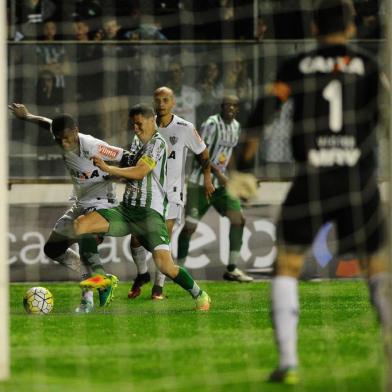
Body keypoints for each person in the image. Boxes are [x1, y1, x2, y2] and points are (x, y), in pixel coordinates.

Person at [247, 0, 390, 384]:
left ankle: (288, 362)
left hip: (311, 180)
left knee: (287, 267)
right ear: (353, 27)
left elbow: (263, 110)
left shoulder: (297, 66)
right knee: (377, 269)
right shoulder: (370, 68)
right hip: (359, 181)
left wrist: (244, 165)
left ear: (313, 28)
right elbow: (386, 116)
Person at [74, 104, 211, 311]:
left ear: (151, 120)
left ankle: (200, 295)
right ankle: (102, 281)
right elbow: (127, 167)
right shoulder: (138, 142)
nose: (135, 128)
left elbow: (140, 172)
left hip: (149, 216)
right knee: (80, 225)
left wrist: (108, 167)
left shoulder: (158, 143)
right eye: (133, 124)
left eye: (139, 124)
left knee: (165, 266)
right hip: (127, 210)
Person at [8, 103, 127, 313]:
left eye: (66, 138)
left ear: (76, 130)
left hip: (102, 203)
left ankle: (87, 300)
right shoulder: (59, 136)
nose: (63, 143)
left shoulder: (92, 145)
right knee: (52, 249)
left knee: (84, 240)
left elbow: (126, 157)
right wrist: (27, 116)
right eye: (58, 139)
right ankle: (101, 279)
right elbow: (47, 123)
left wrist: (115, 173)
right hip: (81, 203)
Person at [127, 86, 215, 300]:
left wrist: (207, 177)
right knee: (135, 240)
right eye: (158, 100)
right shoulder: (144, 126)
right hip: (147, 193)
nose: (161, 104)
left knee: (161, 242)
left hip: (171, 194)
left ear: (173, 102)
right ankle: (142, 275)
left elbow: (203, 152)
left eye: (166, 100)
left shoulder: (184, 127)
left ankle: (158, 288)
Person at [177, 95, 253, 282]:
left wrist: (235, 179)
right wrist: (217, 175)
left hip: (221, 187)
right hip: (199, 183)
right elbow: (199, 152)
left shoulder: (236, 127)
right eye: (227, 105)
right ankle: (177, 270)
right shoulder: (211, 124)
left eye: (234, 106)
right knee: (190, 227)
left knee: (238, 220)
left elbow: (230, 155)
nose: (230, 108)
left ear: (238, 109)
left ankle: (232, 269)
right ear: (221, 107)